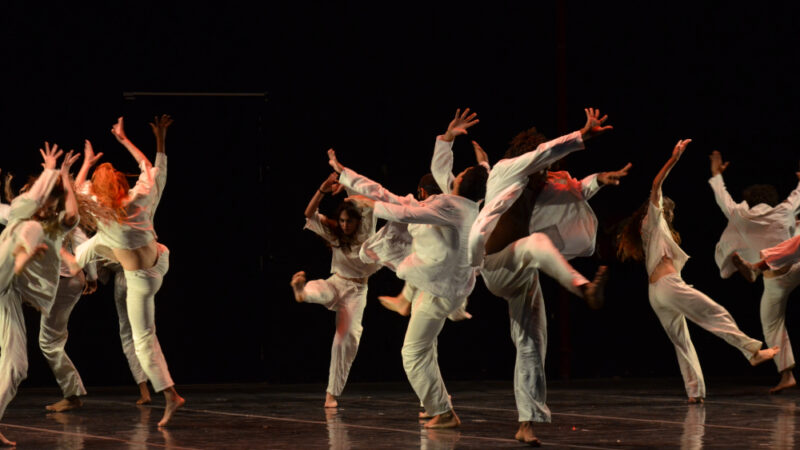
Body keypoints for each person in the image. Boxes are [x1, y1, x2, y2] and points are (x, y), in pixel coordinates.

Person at [328, 109, 489, 428]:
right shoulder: (470, 203)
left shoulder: (448, 206)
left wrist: (366, 204)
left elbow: (400, 211)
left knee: (413, 353)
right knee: (424, 349)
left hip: (438, 290)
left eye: (459, 173)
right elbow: (458, 170)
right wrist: (449, 141)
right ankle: (438, 407)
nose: (453, 175)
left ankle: (443, 412)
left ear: (458, 183)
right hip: (451, 286)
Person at [466, 107, 613, 446]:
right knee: (537, 243)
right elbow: (546, 152)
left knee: (532, 342)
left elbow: (573, 192)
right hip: (497, 265)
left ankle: (526, 423)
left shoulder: (538, 185)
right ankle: (584, 289)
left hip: (522, 269)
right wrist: (582, 135)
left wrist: (599, 180)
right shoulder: (507, 170)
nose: (547, 169)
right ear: (526, 156)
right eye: (540, 162)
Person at [616, 139, 779, 405]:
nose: (669, 213)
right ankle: (752, 352)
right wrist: (674, 159)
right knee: (715, 313)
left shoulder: (654, 232)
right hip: (669, 286)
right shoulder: (653, 219)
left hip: (656, 292)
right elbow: (656, 186)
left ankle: (695, 391)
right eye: (667, 209)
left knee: (682, 342)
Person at [73, 117, 183, 427]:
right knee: (91, 247)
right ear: (122, 184)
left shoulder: (99, 207)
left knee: (143, 340)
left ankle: (170, 394)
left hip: (141, 282)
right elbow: (148, 167)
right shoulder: (139, 198)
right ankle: (74, 272)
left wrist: (87, 161)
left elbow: (78, 188)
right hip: (159, 260)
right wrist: (125, 139)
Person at [0, 144, 77, 446]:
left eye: (52, 204)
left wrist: (66, 176)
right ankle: (21, 258)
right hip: (4, 270)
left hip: (6, 294)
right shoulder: (22, 212)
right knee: (27, 225)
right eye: (46, 201)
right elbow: (29, 201)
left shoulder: (55, 228)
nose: (49, 209)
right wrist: (49, 171)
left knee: (17, 366)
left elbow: (71, 214)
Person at [708, 150, 800, 393]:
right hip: (796, 265)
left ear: (749, 201)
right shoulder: (784, 209)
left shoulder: (741, 213)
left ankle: (787, 375)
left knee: (771, 324)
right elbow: (798, 194)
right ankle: (753, 267)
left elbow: (722, 198)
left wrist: (716, 174)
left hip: (774, 280)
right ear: (772, 199)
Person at [290, 172, 380, 408]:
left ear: (356, 221)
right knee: (321, 289)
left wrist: (347, 181)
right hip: (338, 281)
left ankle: (331, 394)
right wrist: (322, 189)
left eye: (348, 221)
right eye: (341, 221)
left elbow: (365, 200)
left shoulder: (366, 231)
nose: (344, 225)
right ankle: (302, 292)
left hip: (357, 292)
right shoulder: (336, 232)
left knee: (345, 340)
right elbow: (309, 214)